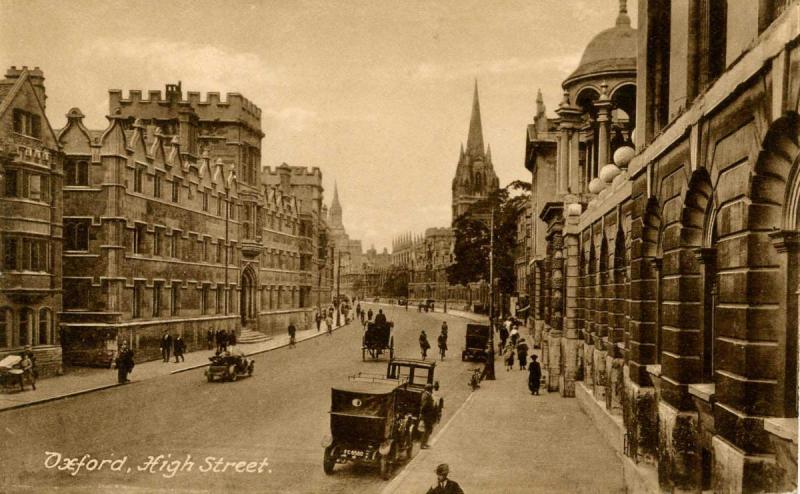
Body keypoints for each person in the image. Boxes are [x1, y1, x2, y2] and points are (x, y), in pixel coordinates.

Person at [419, 384, 437, 449]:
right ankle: (422, 445)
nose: (432, 390)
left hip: (428, 415)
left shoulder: (427, 394)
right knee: (426, 430)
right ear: (429, 389)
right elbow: (424, 406)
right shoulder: (426, 395)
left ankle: (425, 443)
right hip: (426, 415)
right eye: (431, 389)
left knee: (428, 429)